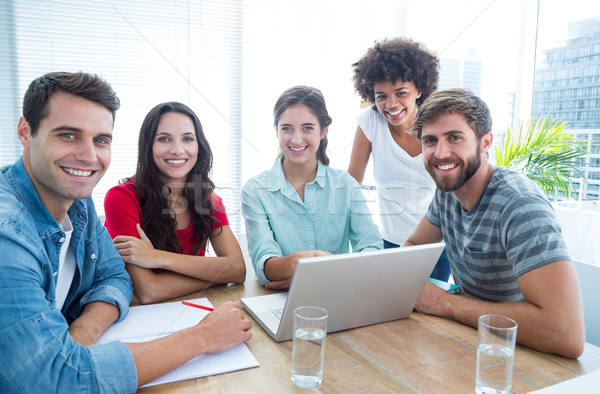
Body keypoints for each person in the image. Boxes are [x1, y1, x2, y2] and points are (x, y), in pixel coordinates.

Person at [0, 72, 252, 392]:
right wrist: (203, 336)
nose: (89, 156)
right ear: (25, 131)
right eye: (68, 135)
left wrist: (82, 332)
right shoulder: (8, 236)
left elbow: (114, 277)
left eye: (101, 140)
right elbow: (58, 380)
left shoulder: (78, 205)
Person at [405, 88, 585, 358]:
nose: (441, 153)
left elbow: (565, 333)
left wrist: (445, 303)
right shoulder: (447, 193)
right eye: (430, 141)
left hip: (523, 355)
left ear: (486, 142)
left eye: (454, 138)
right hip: (471, 339)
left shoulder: (519, 204)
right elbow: (413, 247)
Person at [104, 102, 246, 304]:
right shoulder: (121, 198)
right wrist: (215, 277)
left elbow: (237, 270)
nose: (178, 150)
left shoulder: (209, 199)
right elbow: (148, 291)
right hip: (137, 317)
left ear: (199, 146)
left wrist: (157, 257)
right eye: (164, 139)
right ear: (148, 146)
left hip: (190, 307)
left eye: (188, 139)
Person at [242, 85, 382, 289]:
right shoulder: (255, 191)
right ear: (277, 131)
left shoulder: (345, 185)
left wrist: (312, 277)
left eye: (307, 128)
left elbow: (372, 249)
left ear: (323, 131)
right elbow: (264, 267)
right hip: (279, 299)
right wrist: (297, 262)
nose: (296, 139)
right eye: (287, 128)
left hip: (339, 293)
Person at [347, 37, 451, 281]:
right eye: (381, 96)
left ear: (419, 89)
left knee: (429, 317)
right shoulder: (370, 122)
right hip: (387, 243)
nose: (391, 104)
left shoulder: (438, 125)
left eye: (401, 93)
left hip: (436, 247)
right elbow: (351, 186)